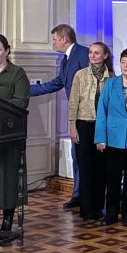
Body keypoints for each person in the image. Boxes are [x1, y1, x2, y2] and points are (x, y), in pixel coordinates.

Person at [30, 24, 89, 209]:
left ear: (64, 38)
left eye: (55, 39)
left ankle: (87, 197)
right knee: (76, 156)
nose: (53, 43)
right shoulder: (65, 59)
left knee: (84, 157)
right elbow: (57, 83)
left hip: (87, 117)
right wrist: (26, 90)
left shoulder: (83, 54)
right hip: (75, 116)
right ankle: (78, 194)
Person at [94, 48, 127, 226]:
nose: (126, 66)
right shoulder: (111, 84)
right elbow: (102, 111)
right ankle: (111, 214)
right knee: (113, 179)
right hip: (113, 138)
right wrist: (100, 137)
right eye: (123, 62)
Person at [68, 43, 113, 222]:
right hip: (84, 124)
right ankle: (86, 210)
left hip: (103, 126)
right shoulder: (80, 75)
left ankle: (98, 208)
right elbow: (73, 102)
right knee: (85, 168)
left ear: (105, 55)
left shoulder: (112, 77)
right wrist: (72, 125)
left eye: (97, 53)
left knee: (101, 168)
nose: (92, 56)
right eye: (90, 53)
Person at [0, 34, 30, 232]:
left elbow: (21, 101)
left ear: (7, 51)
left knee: (7, 175)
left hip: (8, 133)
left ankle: (8, 217)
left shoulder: (17, 73)